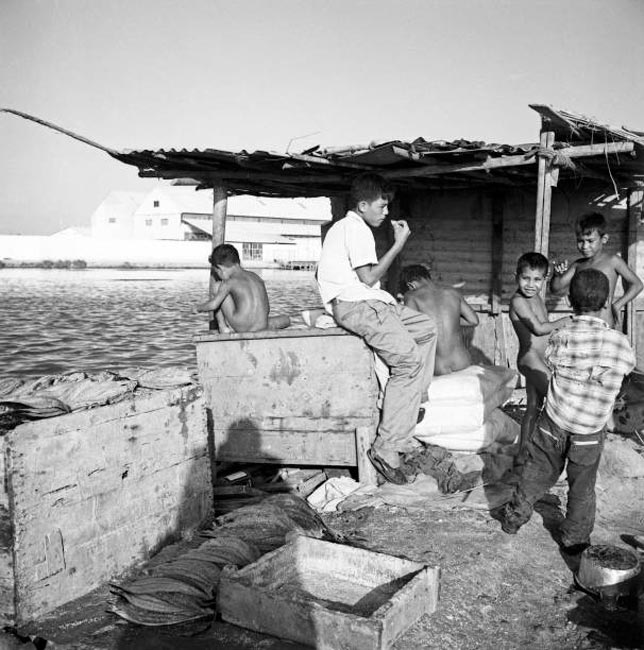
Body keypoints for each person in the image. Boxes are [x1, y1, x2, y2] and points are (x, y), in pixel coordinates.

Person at [496, 269, 636, 557]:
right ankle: (574, 541)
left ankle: (513, 518)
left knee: (536, 474)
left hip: (554, 422)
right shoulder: (620, 343)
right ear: (606, 301)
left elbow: (550, 360)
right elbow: (627, 368)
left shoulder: (562, 336)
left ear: (570, 301)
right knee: (582, 488)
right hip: (589, 430)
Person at [316, 173, 437, 485]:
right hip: (360, 305)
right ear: (362, 205)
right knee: (408, 362)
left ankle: (410, 406)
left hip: (370, 302)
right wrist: (399, 244)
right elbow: (368, 279)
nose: (386, 213)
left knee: (426, 327)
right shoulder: (354, 229)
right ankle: (386, 447)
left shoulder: (349, 228)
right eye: (382, 206)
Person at [509, 253, 571, 455]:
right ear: (515, 276)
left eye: (537, 280)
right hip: (529, 358)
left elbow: (558, 289)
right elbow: (538, 328)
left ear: (544, 280)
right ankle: (555, 450)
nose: (530, 284)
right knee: (559, 401)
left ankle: (523, 455)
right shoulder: (518, 301)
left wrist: (557, 278)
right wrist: (566, 321)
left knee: (534, 406)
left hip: (540, 358)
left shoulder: (536, 297)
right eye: (525, 278)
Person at [551, 211, 643, 328]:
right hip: (581, 327)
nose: (584, 246)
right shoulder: (578, 265)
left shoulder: (613, 261)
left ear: (604, 239)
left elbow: (637, 284)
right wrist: (557, 275)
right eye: (580, 241)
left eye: (590, 241)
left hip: (605, 326)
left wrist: (618, 305)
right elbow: (556, 289)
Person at [400, 264, 479, 376]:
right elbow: (473, 320)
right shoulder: (453, 292)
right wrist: (452, 320)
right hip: (462, 361)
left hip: (437, 366)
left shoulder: (411, 296)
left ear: (410, 285)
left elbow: (410, 330)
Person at [197, 244, 290, 333]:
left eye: (216, 272)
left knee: (217, 286)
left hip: (242, 327)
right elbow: (267, 308)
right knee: (286, 319)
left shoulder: (229, 282)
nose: (218, 275)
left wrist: (197, 308)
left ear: (220, 268)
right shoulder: (256, 277)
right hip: (262, 325)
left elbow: (213, 305)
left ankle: (223, 328)